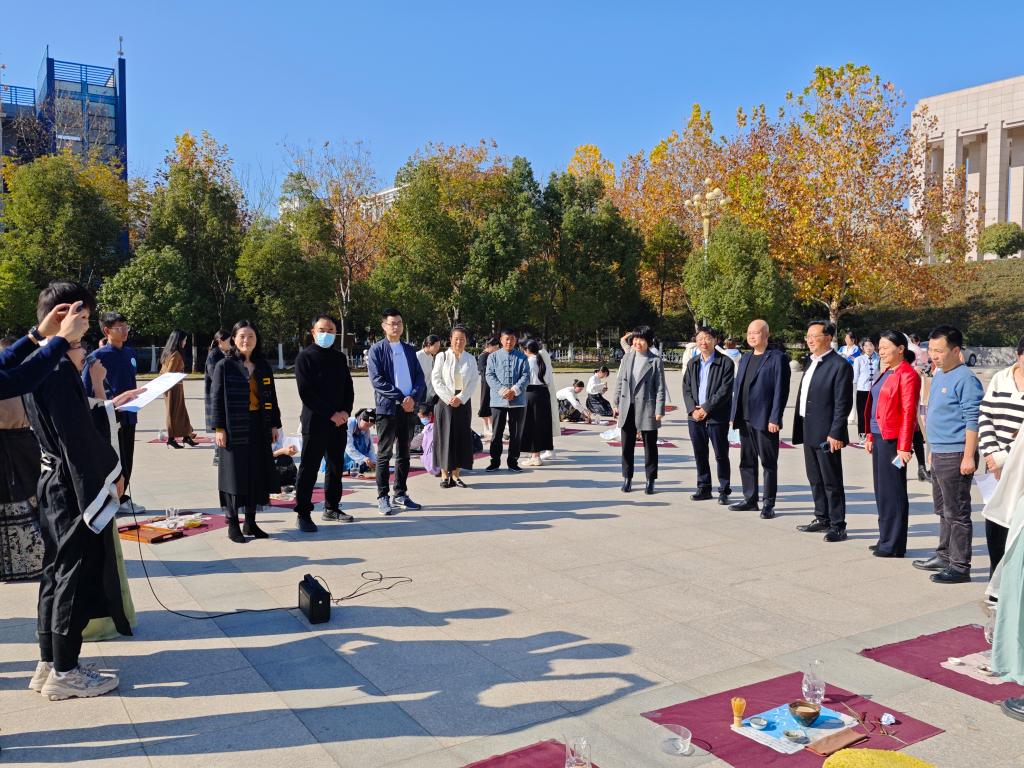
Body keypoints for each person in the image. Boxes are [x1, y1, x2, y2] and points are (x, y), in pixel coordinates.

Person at [23, 282, 129, 701]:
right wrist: (111, 476)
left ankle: (49, 661)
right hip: (68, 485)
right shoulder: (57, 369)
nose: (86, 326)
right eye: (83, 317)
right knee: (72, 573)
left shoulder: (38, 362)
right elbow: (77, 439)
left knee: (54, 571)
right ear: (63, 316)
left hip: (51, 480)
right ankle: (65, 671)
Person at [912, 325, 985, 584]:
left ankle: (960, 566)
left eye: (939, 351)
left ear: (956, 351)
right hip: (940, 452)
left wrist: (968, 456)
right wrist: (932, 450)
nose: (934, 355)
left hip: (956, 454)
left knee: (957, 513)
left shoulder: (966, 379)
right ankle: (943, 555)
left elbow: (973, 421)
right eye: (931, 350)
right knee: (943, 510)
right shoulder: (940, 373)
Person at [211, 320, 282, 543]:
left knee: (255, 472)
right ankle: (233, 523)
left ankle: (250, 522)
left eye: (251, 336)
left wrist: (274, 424)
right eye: (242, 336)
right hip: (233, 426)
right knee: (234, 475)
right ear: (233, 338)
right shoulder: (225, 365)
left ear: (256, 339)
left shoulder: (263, 365)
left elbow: (271, 396)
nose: (246, 340)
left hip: (259, 424)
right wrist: (219, 428)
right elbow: (215, 398)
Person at [792, 321, 854, 541]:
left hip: (827, 432)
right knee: (815, 477)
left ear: (828, 338)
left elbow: (843, 403)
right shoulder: (811, 362)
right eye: (807, 336)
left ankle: (838, 525)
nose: (809, 340)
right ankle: (822, 517)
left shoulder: (839, 365)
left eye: (814, 336)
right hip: (808, 427)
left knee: (831, 480)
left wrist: (836, 432)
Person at [293, 314, 355, 532]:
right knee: (309, 468)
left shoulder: (339, 358)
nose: (326, 334)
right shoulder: (305, 358)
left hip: (338, 423)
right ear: (313, 332)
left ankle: (332, 507)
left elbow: (348, 388)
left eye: (331, 331)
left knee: (336, 466)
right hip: (315, 423)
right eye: (322, 330)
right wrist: (331, 414)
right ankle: (303, 513)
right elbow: (306, 393)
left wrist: (345, 412)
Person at [863, 332, 921, 559]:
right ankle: (885, 536)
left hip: (894, 441)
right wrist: (869, 435)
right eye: (880, 347)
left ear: (901, 349)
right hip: (879, 437)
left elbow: (909, 413)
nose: (881, 351)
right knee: (882, 491)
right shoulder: (886, 371)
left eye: (886, 347)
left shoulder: (908, 374)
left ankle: (894, 544)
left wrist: (904, 446)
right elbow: (875, 405)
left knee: (893, 491)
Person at [729, 319, 791, 519]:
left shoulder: (777, 358)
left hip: (765, 419)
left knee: (768, 463)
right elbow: (738, 388)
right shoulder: (746, 358)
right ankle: (750, 499)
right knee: (746, 461)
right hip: (744, 418)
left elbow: (781, 391)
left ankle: (768, 504)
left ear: (766, 334)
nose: (751, 336)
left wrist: (775, 418)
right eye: (749, 333)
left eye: (755, 332)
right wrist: (734, 415)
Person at [367, 308, 426, 515]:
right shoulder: (376, 350)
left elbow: (419, 377)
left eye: (399, 323)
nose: (396, 326)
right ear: (384, 326)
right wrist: (401, 398)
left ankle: (400, 493)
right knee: (384, 454)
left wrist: (413, 397)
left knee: (404, 454)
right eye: (392, 323)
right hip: (388, 409)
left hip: (408, 410)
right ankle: (382, 496)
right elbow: (377, 381)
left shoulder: (409, 350)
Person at [83, 312, 143, 514]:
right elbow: (87, 390)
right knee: (112, 461)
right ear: (107, 331)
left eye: (126, 327)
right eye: (120, 328)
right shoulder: (97, 358)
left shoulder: (130, 353)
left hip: (130, 416)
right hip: (109, 417)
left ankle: (122, 498)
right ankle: (109, 500)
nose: (125, 331)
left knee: (127, 460)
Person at [978, 334, 1024, 574]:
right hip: (993, 462)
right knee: (995, 518)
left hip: (1018, 464)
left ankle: (1012, 580)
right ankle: (995, 575)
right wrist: (990, 454)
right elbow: (985, 415)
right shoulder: (1000, 378)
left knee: (1016, 522)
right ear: (1018, 355)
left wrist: (1002, 458)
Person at [0, 337, 44, 582]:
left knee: (33, 496)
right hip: (5, 445)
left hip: (25, 441)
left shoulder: (23, 379)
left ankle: (36, 557)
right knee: (11, 501)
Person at [682, 327, 734, 504]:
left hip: (716, 416)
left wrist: (706, 408)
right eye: (700, 338)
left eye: (708, 338)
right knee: (700, 453)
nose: (703, 342)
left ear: (716, 340)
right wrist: (692, 410)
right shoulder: (693, 363)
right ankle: (704, 487)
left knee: (721, 454)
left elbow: (724, 390)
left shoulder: (725, 363)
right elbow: (686, 388)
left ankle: (724, 490)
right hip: (695, 417)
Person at [613, 325, 666, 494]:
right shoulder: (628, 357)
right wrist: (615, 402)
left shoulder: (655, 361)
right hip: (627, 405)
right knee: (626, 446)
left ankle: (650, 479)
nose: (637, 342)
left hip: (647, 407)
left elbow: (660, 387)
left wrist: (659, 409)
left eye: (641, 339)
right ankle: (627, 478)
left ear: (648, 341)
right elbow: (620, 380)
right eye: (635, 339)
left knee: (650, 446)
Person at [0, 303, 89, 400]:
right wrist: (64, 337)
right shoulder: (61, 371)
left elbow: (4, 360)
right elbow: (22, 380)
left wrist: (38, 334)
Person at [432, 325, 478, 488]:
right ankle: (445, 475)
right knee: (444, 437)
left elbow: (473, 381)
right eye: (456, 339)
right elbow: (436, 379)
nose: (459, 342)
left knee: (461, 437)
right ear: (450, 340)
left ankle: (457, 474)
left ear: (466, 341)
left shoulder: (470, 359)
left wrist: (461, 398)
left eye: (462, 339)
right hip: (445, 402)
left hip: (463, 402)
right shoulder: (442, 356)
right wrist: (449, 398)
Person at [485, 329, 530, 472]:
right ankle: (494, 461)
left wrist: (514, 390)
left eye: (512, 339)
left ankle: (513, 461)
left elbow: (526, 376)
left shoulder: (522, 357)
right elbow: (489, 375)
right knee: (496, 432)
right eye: (506, 339)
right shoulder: (493, 357)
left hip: (518, 401)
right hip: (498, 400)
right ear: (501, 340)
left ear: (515, 340)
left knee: (516, 433)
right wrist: (503, 391)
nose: (509, 342)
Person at [158, 330, 198, 449]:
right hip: (173, 389)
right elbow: (169, 373)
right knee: (173, 413)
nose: (185, 342)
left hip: (173, 387)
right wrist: (180, 375)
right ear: (179, 340)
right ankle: (171, 439)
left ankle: (187, 436)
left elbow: (162, 371)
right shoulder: (175, 354)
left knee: (181, 412)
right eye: (185, 340)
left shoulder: (168, 352)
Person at [521, 340, 554, 467]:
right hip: (544, 393)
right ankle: (537, 454)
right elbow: (549, 380)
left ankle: (535, 456)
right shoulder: (543, 361)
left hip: (531, 393)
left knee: (531, 424)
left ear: (526, 350)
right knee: (541, 424)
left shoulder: (528, 361)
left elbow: (523, 380)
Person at [852, 338, 880, 441]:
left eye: (871, 345)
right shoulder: (859, 359)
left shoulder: (879, 358)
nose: (868, 348)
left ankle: (873, 434)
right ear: (862, 348)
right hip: (862, 389)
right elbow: (855, 376)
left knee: (874, 412)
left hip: (875, 390)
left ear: (874, 346)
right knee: (862, 413)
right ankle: (862, 435)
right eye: (866, 346)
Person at [477, 337, 499, 438]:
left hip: (492, 383)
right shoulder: (483, 356)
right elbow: (482, 370)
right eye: (496, 347)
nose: (496, 349)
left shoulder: (491, 355)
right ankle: (485, 427)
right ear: (490, 346)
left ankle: (491, 426)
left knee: (491, 404)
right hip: (486, 383)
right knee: (485, 403)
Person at [344, 409, 377, 476]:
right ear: (360, 419)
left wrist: (373, 461)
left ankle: (354, 466)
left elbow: (370, 448)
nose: (367, 428)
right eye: (366, 425)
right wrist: (363, 458)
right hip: (343, 449)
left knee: (367, 462)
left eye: (370, 426)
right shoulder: (350, 423)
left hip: (354, 454)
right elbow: (348, 446)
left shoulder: (366, 430)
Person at [417, 334, 441, 405]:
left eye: (438, 347)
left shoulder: (431, 357)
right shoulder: (417, 356)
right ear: (428, 345)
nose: (438, 349)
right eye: (436, 346)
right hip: (418, 393)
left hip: (428, 393)